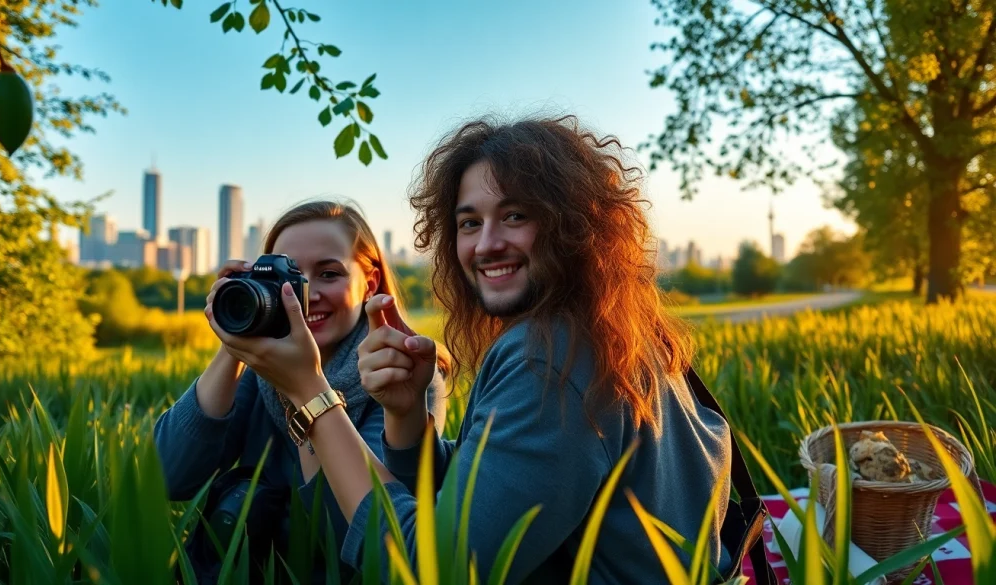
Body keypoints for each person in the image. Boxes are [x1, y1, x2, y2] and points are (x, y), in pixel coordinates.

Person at [205, 116, 733, 584]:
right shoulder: (626, 336)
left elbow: (430, 567)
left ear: (575, 226)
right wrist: (407, 418)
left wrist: (311, 395)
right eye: (469, 223)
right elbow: (498, 489)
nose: (485, 245)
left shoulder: (547, 358)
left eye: (516, 216)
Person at [153, 200, 447, 583]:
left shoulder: (402, 376)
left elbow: (355, 536)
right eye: (287, 278)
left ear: (369, 283)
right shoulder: (259, 373)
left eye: (328, 274)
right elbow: (168, 476)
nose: (302, 295)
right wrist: (234, 338)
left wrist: (303, 388)